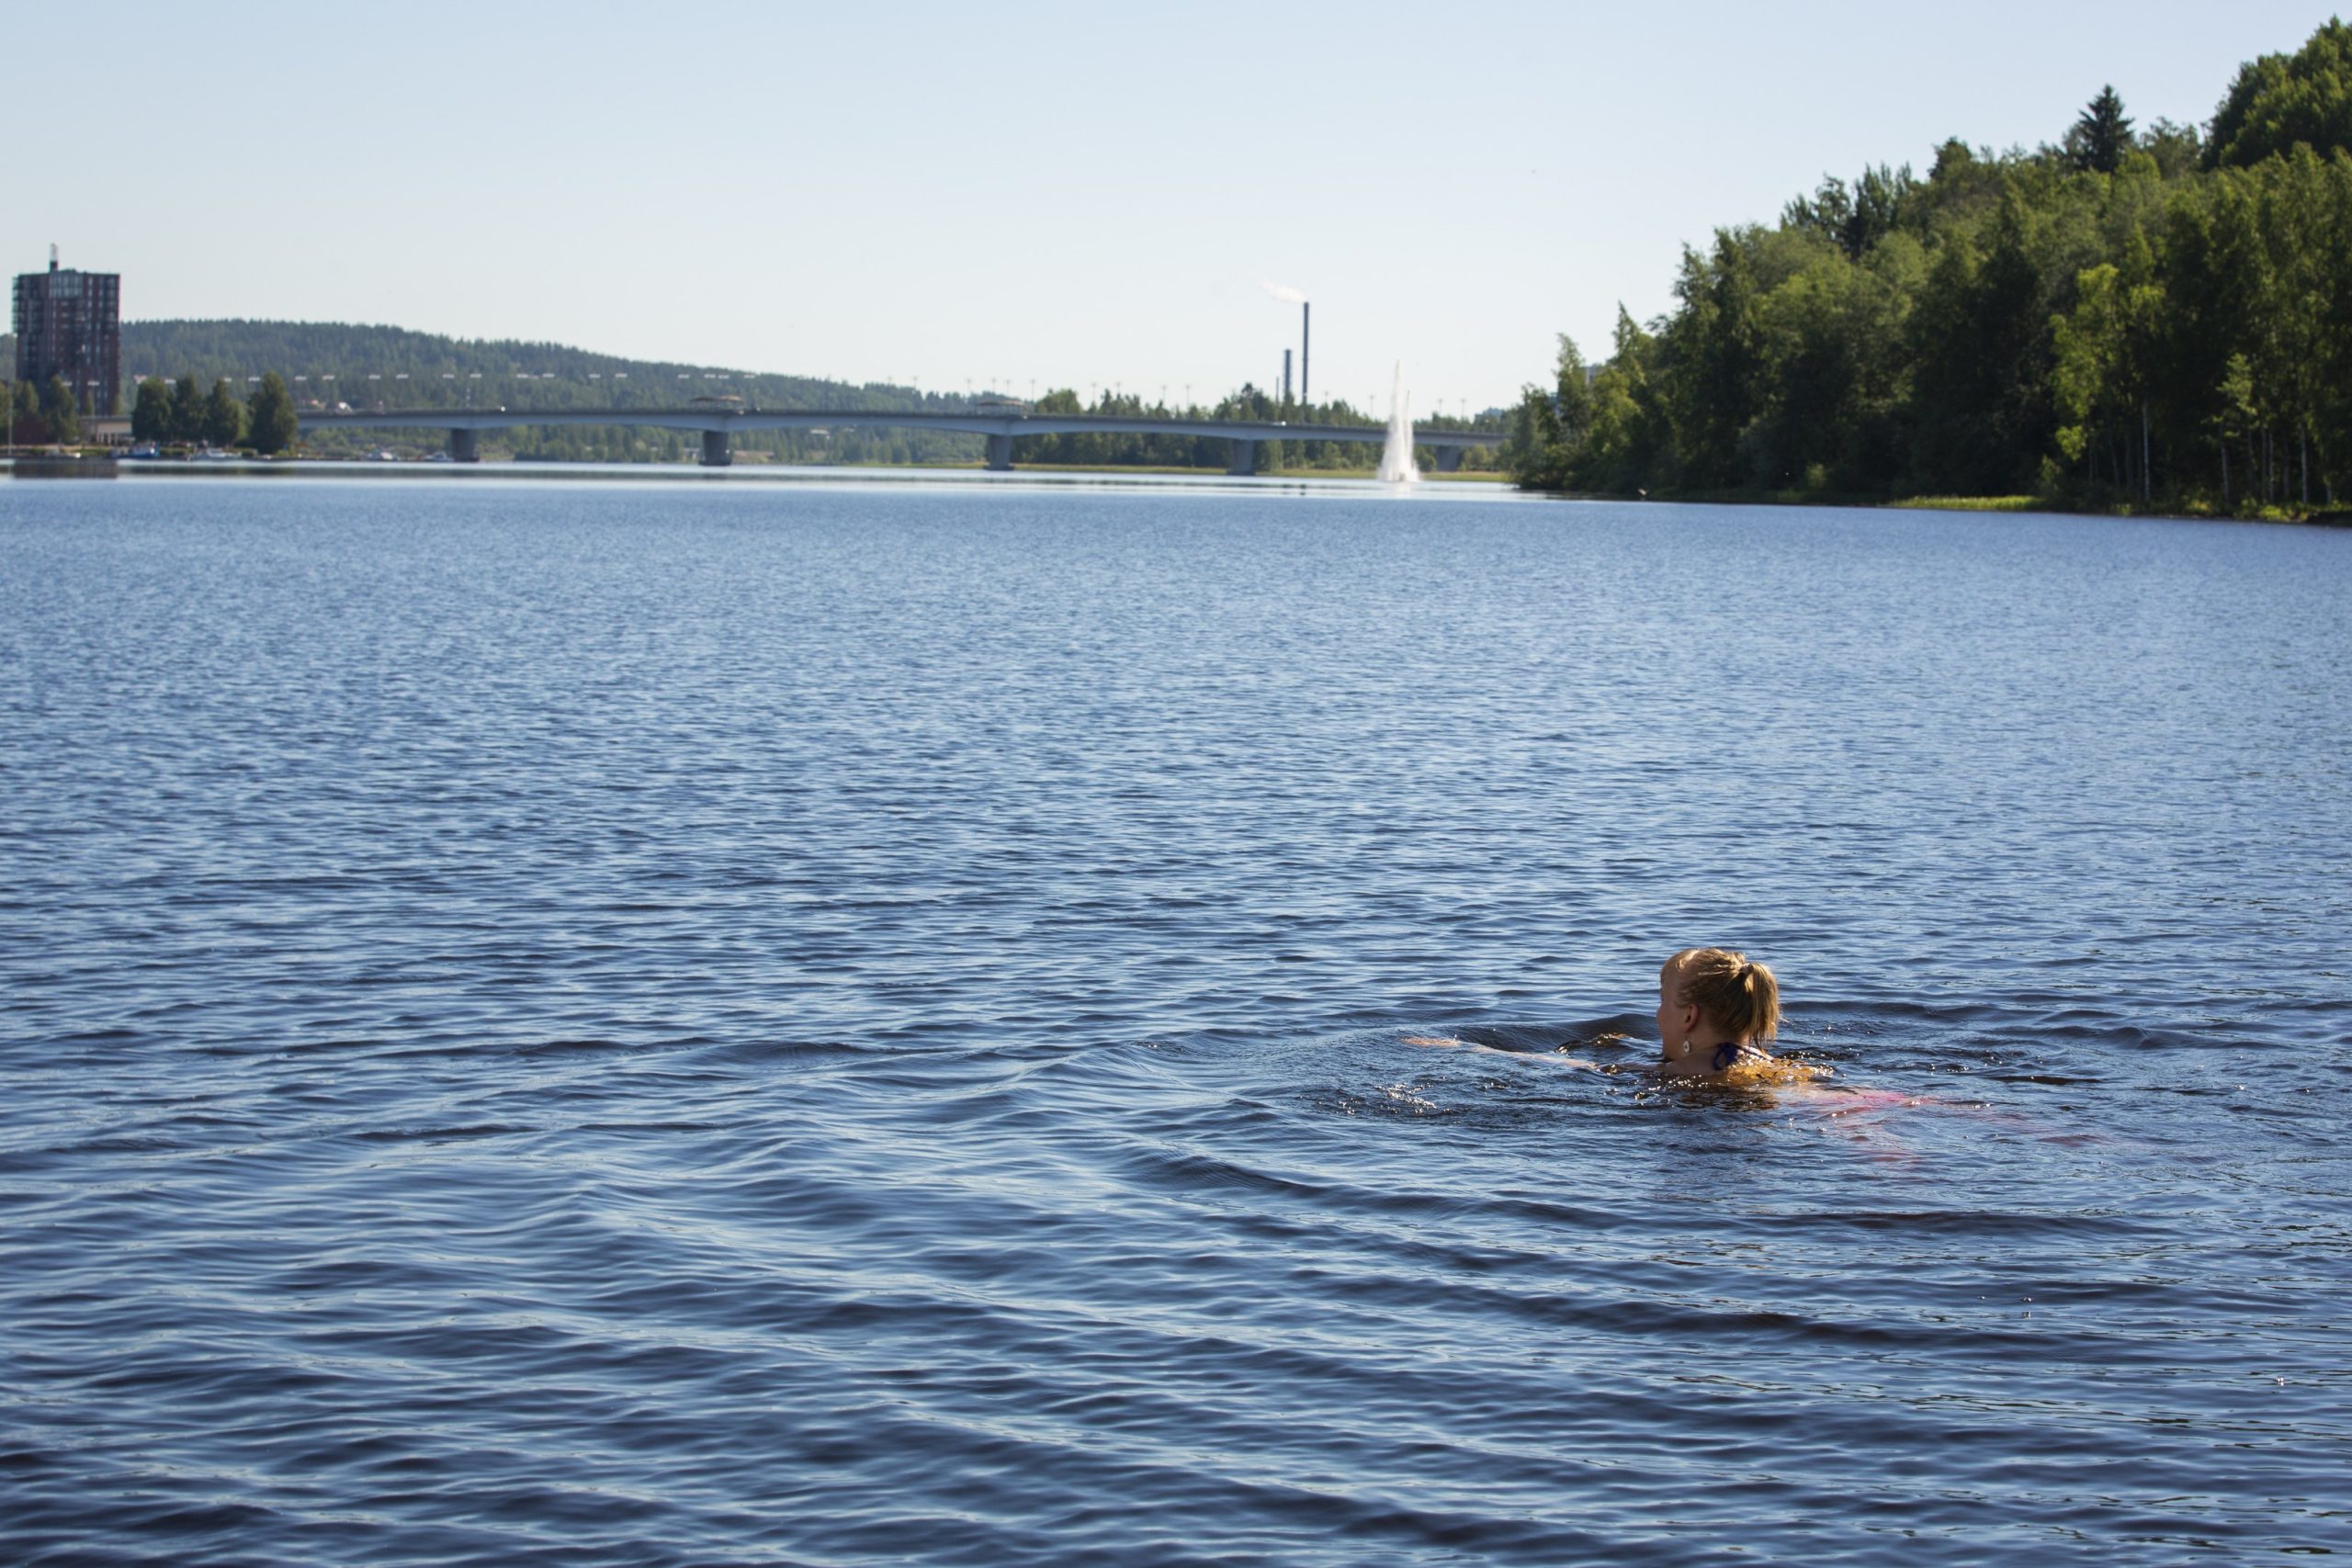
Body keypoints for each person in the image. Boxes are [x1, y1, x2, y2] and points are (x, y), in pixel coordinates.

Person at [1654, 946, 1811, 1081]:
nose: (1658, 1013)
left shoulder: (1668, 1071)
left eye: (1663, 1000)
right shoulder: (1774, 1066)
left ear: (1689, 1016)